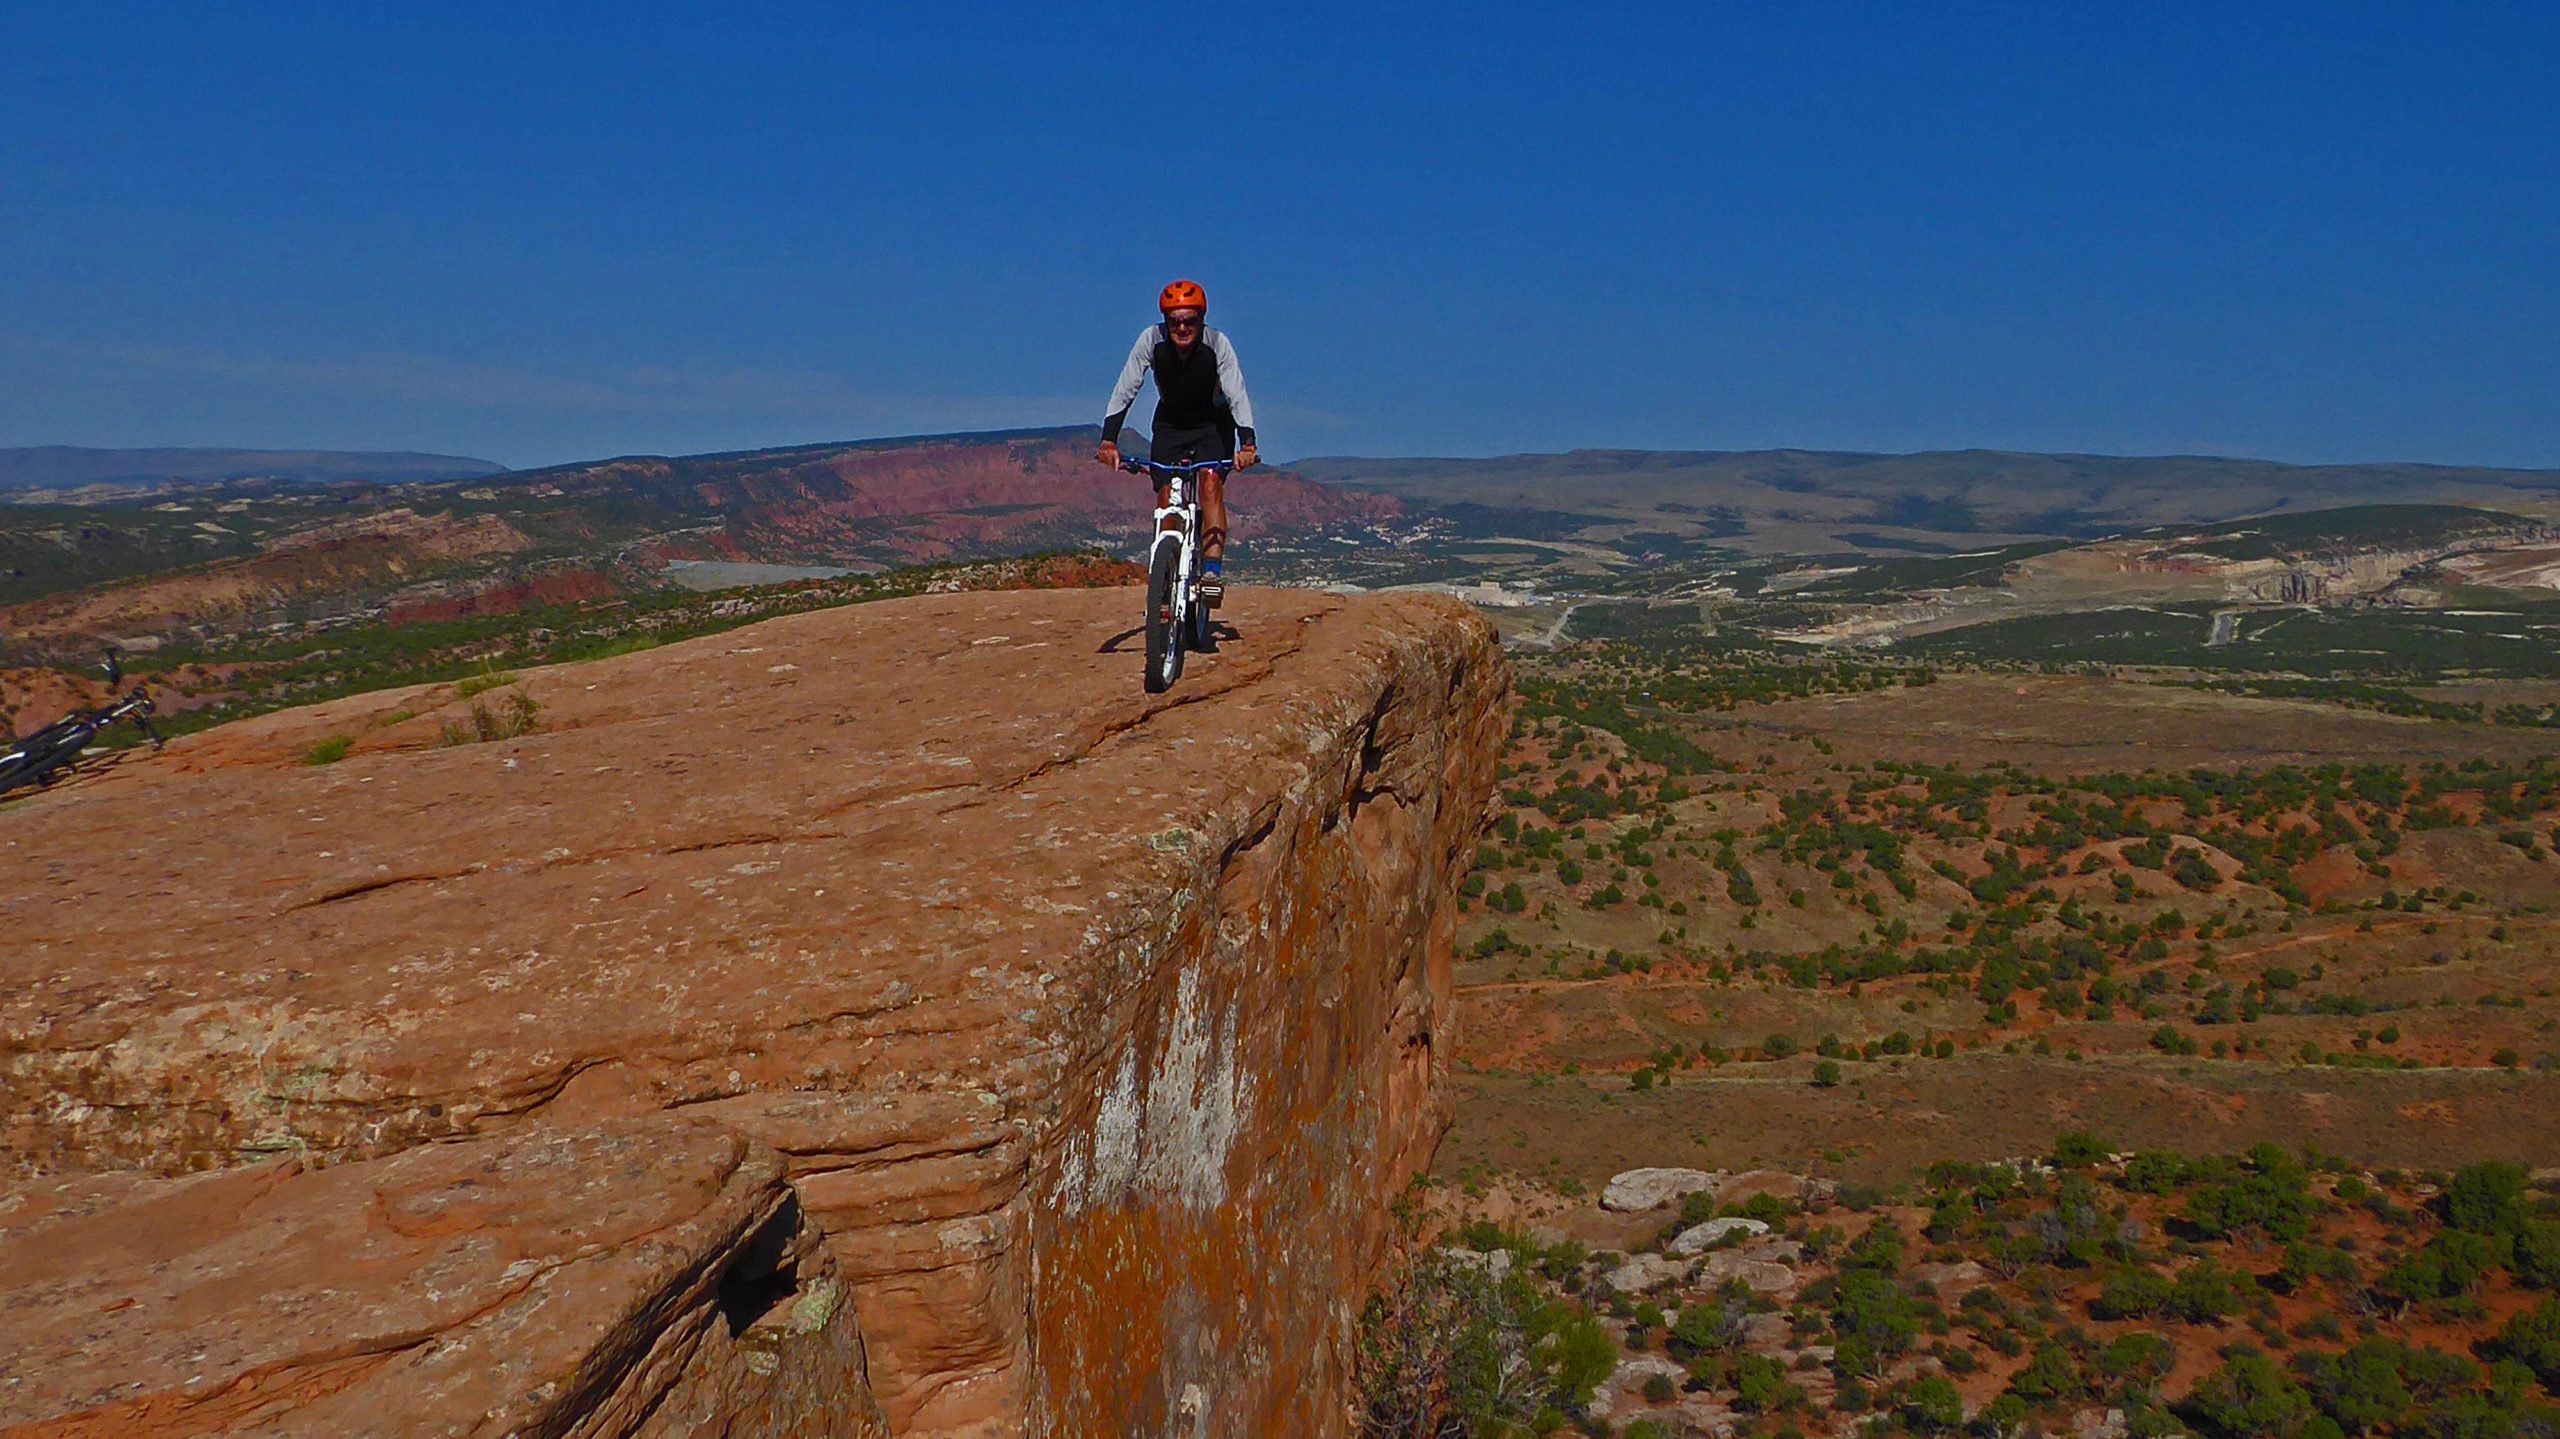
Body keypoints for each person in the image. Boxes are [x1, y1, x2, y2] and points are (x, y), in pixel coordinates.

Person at [1097, 279, 1257, 603]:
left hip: (1212, 424)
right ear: (1166, 321)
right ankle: (1166, 573)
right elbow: (1127, 385)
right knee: (1166, 496)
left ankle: (1210, 571)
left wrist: (1247, 444)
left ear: (1201, 318)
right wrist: (1108, 440)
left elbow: (1236, 392)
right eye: (1174, 321)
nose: (1182, 327)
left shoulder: (1217, 343)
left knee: (1210, 484)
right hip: (1171, 424)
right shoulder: (1150, 340)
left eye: (1189, 320)